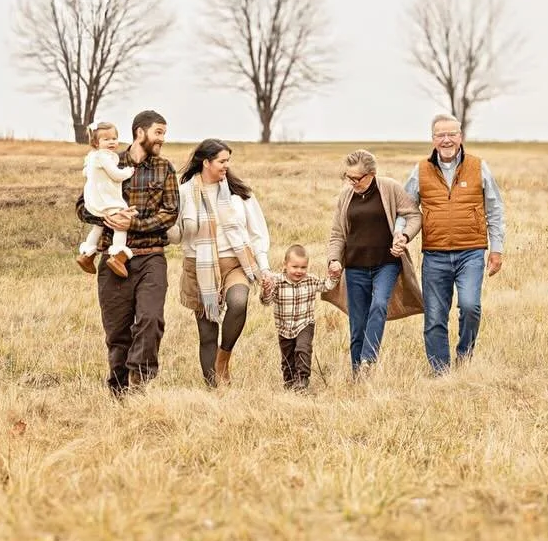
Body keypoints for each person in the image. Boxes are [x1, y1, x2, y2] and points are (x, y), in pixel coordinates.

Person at [390, 112, 505, 373]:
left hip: (471, 253)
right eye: (440, 135)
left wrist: (496, 249)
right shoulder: (420, 170)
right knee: (434, 317)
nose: (446, 140)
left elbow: (495, 209)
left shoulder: (479, 166)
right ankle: (440, 370)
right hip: (435, 255)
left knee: (470, 306)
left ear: (460, 137)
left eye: (451, 134)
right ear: (432, 139)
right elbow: (406, 209)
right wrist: (400, 233)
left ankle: (465, 354)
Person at [75, 108, 179, 396]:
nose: (162, 139)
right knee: (117, 328)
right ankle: (118, 389)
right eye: (158, 132)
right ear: (139, 132)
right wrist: (106, 219)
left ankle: (140, 382)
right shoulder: (107, 162)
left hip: (150, 256)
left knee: (150, 319)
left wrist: (134, 222)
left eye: (164, 133)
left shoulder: (165, 168)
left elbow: (170, 213)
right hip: (112, 258)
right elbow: (83, 206)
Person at [170, 138, 270, 389]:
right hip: (199, 267)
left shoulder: (239, 194)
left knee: (238, 303)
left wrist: (264, 266)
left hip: (235, 263)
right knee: (207, 333)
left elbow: (257, 232)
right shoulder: (184, 194)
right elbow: (175, 236)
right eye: (222, 161)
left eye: (228, 161)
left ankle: (223, 358)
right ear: (206, 162)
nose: (227, 165)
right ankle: (214, 388)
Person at [322, 149, 423, 377]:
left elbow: (414, 215)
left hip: (386, 264)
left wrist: (404, 236)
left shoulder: (389, 188)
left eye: (358, 178)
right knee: (357, 324)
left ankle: (369, 359)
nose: (353, 182)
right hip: (355, 267)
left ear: (372, 174)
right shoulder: (346, 196)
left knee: (379, 305)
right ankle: (359, 375)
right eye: (349, 177)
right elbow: (337, 234)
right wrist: (334, 260)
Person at [260, 243, 340, 389]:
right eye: (295, 267)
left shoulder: (310, 280)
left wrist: (334, 276)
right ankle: (289, 381)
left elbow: (326, 286)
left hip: (305, 323)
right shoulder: (277, 282)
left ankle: (303, 379)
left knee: (303, 349)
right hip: (284, 327)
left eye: (303, 267)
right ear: (285, 265)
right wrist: (266, 290)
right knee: (287, 357)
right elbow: (266, 301)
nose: (299, 271)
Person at [76, 120, 134, 277]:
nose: (111, 142)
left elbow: (86, 173)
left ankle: (87, 254)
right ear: (96, 142)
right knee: (120, 223)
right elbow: (115, 175)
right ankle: (117, 257)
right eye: (106, 139)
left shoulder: (92, 157)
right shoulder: (103, 157)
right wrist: (128, 172)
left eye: (114, 138)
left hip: (94, 199)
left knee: (99, 226)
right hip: (106, 199)